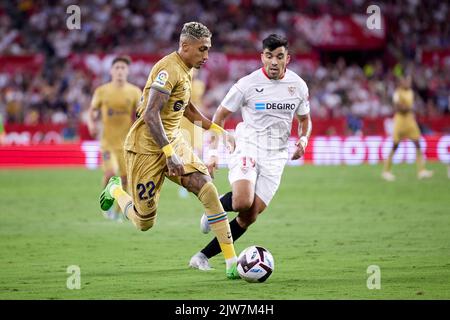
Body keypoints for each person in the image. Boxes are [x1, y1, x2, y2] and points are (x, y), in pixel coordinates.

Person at [99, 22, 239, 279]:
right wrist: (168, 153)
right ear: (185, 46)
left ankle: (232, 263)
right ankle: (116, 189)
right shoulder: (167, 69)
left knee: (207, 189)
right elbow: (151, 113)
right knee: (144, 222)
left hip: (173, 141)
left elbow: (186, 108)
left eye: (208, 50)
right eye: (202, 50)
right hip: (147, 148)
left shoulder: (188, 68)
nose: (206, 56)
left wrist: (218, 131)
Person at [189, 34, 312, 271]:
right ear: (262, 57)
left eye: (279, 56)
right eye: (269, 56)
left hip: (276, 155)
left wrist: (303, 139)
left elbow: (305, 120)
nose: (274, 62)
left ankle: (202, 256)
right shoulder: (247, 84)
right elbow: (220, 117)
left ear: (288, 58)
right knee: (242, 201)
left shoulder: (298, 86)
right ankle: (214, 209)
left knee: (249, 216)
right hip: (248, 145)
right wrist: (213, 152)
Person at [88, 56, 142, 220]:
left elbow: (140, 113)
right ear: (111, 71)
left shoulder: (134, 91)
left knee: (125, 179)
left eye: (123, 68)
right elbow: (92, 111)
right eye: (117, 67)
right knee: (111, 175)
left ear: (127, 71)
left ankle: (119, 212)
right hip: (108, 143)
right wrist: (91, 123)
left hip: (126, 145)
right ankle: (106, 204)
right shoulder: (102, 91)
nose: (120, 71)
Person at [382, 75, 433, 181]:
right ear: (402, 82)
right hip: (400, 121)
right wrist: (408, 108)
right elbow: (398, 107)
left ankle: (421, 171)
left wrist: (408, 108)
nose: (409, 83)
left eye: (409, 81)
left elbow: (408, 107)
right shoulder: (397, 93)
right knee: (395, 145)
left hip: (410, 121)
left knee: (418, 143)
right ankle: (386, 171)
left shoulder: (411, 92)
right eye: (407, 81)